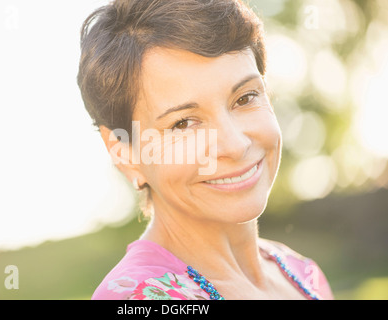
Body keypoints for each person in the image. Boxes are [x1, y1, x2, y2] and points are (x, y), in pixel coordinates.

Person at [77, 0, 334, 300]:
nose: (235, 145)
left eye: (245, 98)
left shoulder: (304, 275)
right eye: (184, 123)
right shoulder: (135, 299)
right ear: (124, 152)